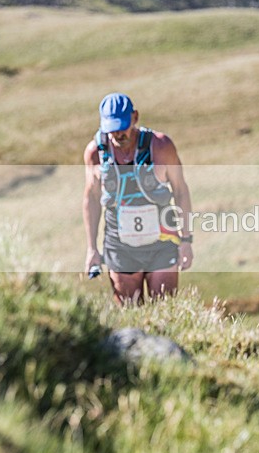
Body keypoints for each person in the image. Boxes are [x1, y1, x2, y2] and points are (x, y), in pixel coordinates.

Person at [83, 92, 194, 305]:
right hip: (119, 245)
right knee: (130, 313)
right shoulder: (95, 152)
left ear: (135, 117)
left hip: (162, 241)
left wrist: (186, 240)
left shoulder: (161, 146)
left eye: (122, 126)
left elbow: (181, 191)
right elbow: (91, 198)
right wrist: (92, 249)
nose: (117, 134)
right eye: (111, 128)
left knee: (166, 311)